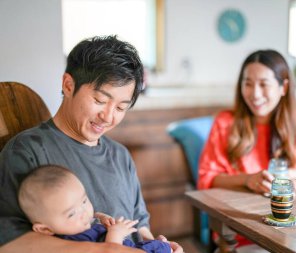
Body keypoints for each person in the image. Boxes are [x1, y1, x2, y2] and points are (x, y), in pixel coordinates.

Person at [0, 35, 183, 253]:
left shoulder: (120, 155)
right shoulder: (28, 150)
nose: (108, 117)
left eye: (120, 107)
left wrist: (159, 246)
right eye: (100, 101)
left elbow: (140, 226)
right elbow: (10, 242)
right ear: (68, 85)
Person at [198, 49, 296, 247]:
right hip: (241, 230)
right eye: (248, 84)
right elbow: (206, 179)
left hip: (291, 229)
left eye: (264, 84)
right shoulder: (225, 123)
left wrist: (287, 176)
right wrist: (249, 180)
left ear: (283, 87)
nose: (255, 94)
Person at [18, 165, 172, 253]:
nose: (84, 213)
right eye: (72, 213)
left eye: (84, 201)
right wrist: (115, 234)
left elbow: (90, 216)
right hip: (122, 248)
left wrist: (100, 216)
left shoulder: (78, 226)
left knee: (162, 247)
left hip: (132, 247)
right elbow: (110, 250)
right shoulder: (72, 242)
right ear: (45, 229)